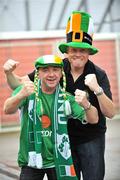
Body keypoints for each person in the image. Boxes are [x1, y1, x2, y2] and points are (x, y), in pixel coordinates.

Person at [3, 11, 115, 180]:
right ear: (67, 52)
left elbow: (110, 113)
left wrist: (97, 89)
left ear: (89, 53)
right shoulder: (56, 68)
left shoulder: (98, 74)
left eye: (83, 50)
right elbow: (19, 85)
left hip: (90, 138)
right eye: (73, 50)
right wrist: (9, 73)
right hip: (63, 139)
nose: (78, 54)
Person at [3, 54, 98, 180]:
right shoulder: (26, 91)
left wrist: (87, 104)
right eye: (45, 70)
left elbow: (93, 119)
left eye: (55, 69)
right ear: (38, 73)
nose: (51, 74)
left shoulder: (66, 99)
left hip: (58, 160)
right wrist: (20, 95)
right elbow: (7, 109)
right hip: (31, 160)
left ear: (61, 73)